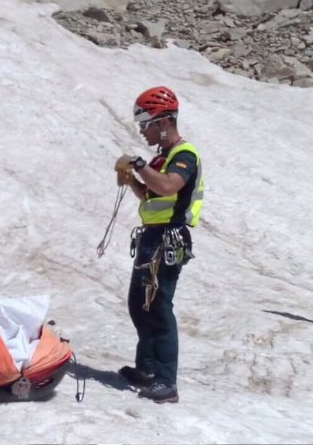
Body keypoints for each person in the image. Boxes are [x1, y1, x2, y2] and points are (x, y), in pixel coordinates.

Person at [114, 86, 203, 404]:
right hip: (153, 237)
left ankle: (166, 381)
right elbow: (153, 195)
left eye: (146, 124)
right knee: (141, 303)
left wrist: (138, 165)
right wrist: (134, 182)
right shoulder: (163, 157)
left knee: (159, 306)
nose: (143, 130)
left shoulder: (185, 155)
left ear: (163, 122)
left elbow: (167, 186)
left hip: (168, 238)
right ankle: (148, 368)